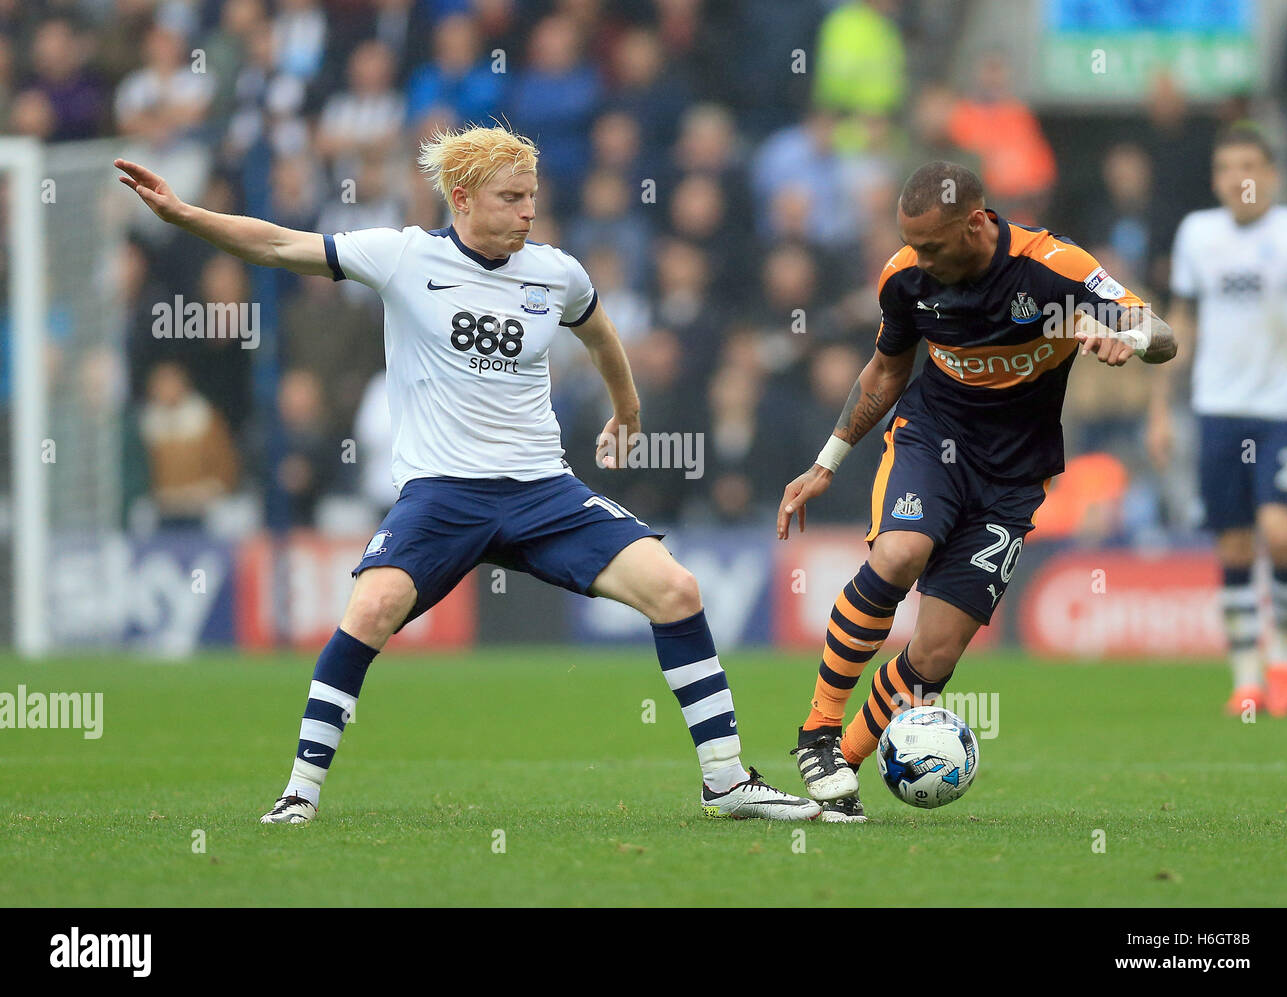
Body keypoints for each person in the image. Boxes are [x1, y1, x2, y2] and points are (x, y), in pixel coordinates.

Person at [115, 124, 819, 825]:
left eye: (532, 196)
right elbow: (275, 243)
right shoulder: (400, 256)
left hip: (543, 491)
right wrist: (185, 215)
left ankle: (726, 781)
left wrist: (626, 410)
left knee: (676, 587)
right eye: (512, 197)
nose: (528, 211)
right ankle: (300, 790)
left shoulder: (556, 272)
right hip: (443, 494)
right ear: (462, 197)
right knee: (367, 611)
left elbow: (600, 331)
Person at [776, 161, 1176, 822]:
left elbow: (1163, 337)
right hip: (933, 441)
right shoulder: (905, 277)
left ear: (977, 221)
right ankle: (817, 731)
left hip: (1014, 475)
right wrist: (829, 459)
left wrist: (1124, 332)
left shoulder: (1055, 268)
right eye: (913, 244)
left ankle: (840, 770)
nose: (920, 258)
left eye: (932, 245)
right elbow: (885, 369)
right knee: (901, 553)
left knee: (933, 654)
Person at [1147, 124, 1287, 718]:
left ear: (1271, 173)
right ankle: (1246, 678)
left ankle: (1282, 649)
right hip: (1217, 408)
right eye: (1227, 167)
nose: (1239, 178)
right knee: (1234, 543)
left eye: (1250, 165)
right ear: (1216, 179)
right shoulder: (1197, 235)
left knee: (1282, 533)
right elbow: (1181, 320)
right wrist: (1162, 409)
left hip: (1286, 409)